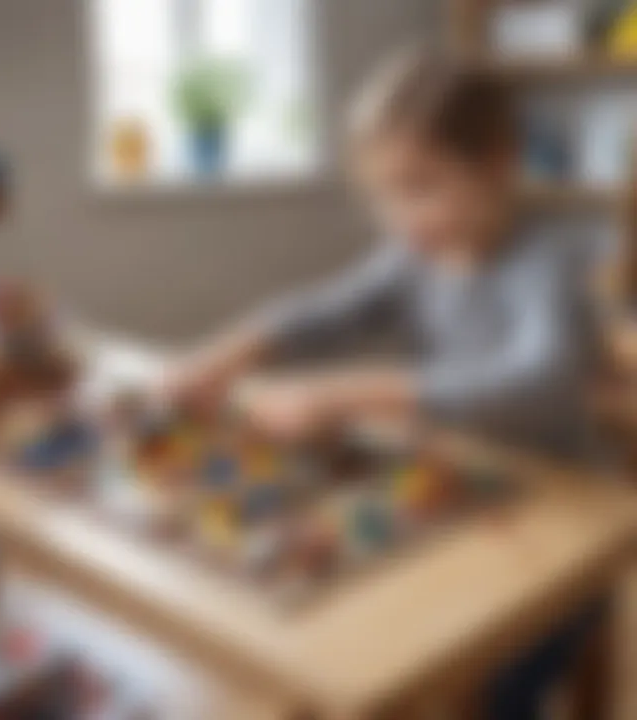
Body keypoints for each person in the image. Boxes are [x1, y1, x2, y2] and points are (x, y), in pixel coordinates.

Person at [161, 48, 606, 719]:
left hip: (562, 530)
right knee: (370, 640)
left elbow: (539, 382)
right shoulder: (415, 253)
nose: (403, 218)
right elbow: (327, 311)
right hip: (469, 497)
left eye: (422, 186)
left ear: (499, 162)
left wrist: (349, 393)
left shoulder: (551, 261)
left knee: (483, 679)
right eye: (383, 195)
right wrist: (224, 355)